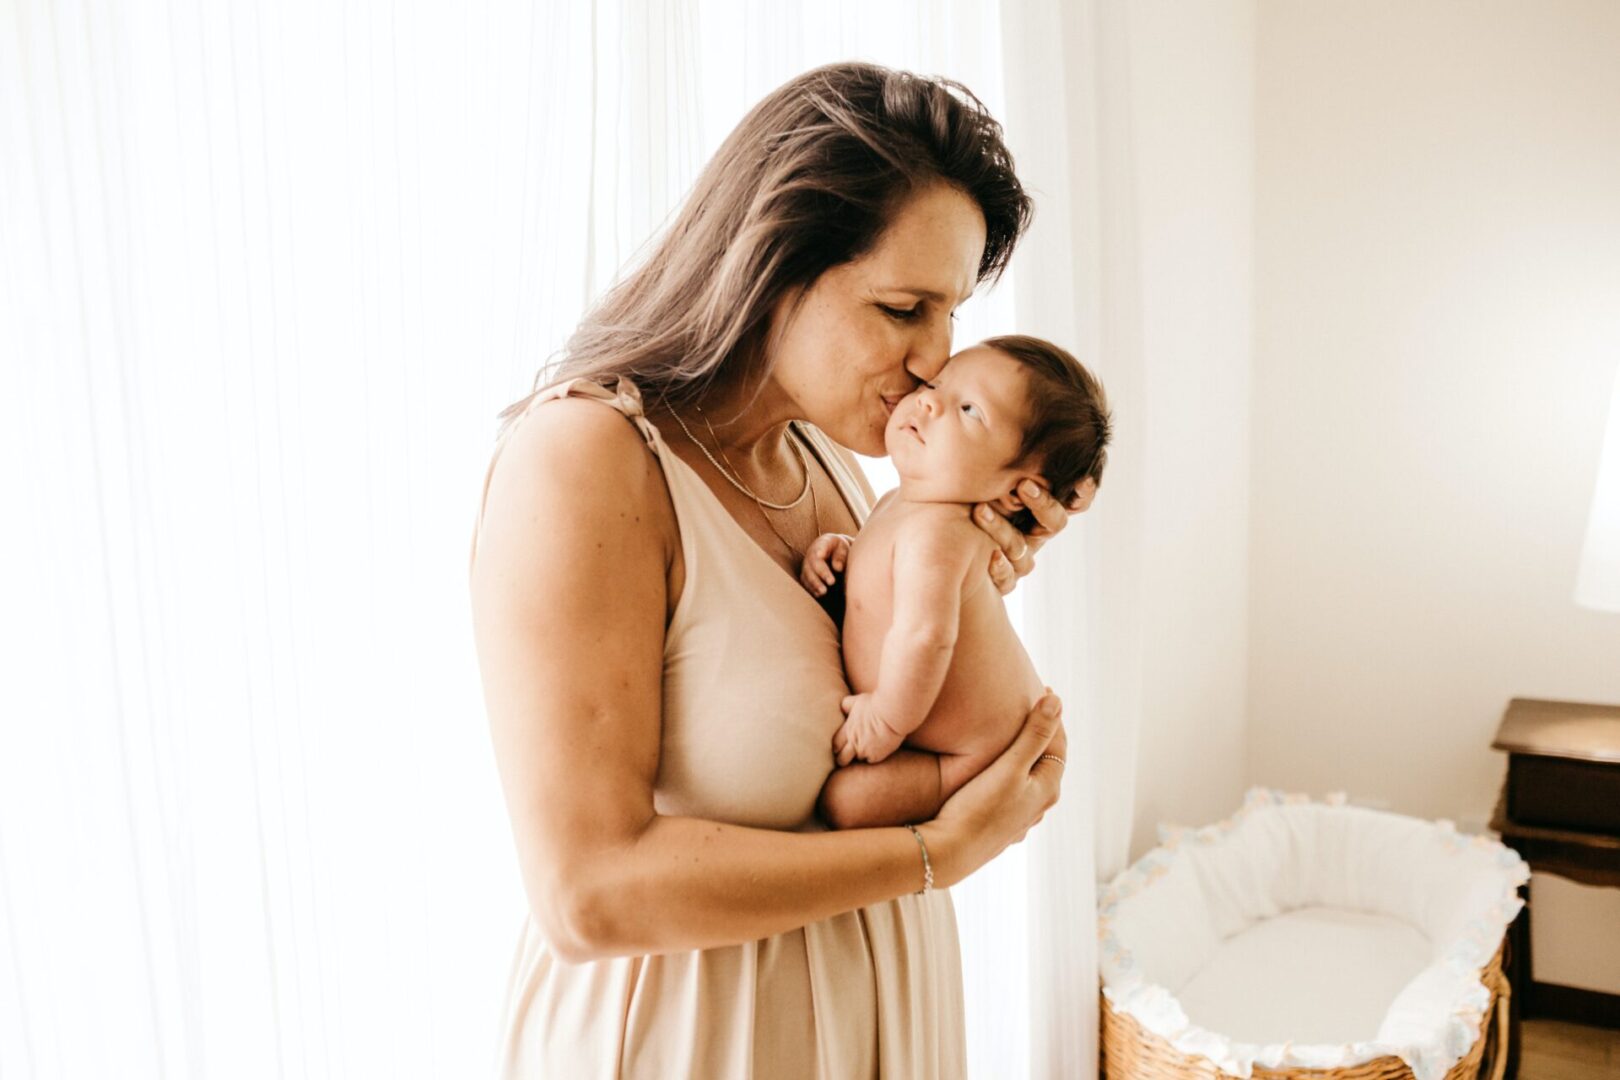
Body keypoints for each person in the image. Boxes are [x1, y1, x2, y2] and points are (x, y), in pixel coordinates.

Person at [468, 62, 1095, 1079]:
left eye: (951, 315)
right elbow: (589, 894)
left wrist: (970, 589)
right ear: (771, 265)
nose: (939, 361)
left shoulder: (827, 463)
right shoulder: (585, 464)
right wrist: (939, 852)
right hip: (690, 1045)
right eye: (903, 310)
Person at [803, 337, 1110, 832]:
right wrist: (846, 553)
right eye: (936, 384)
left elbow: (925, 636)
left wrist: (884, 720)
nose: (928, 400)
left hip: (977, 751)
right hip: (958, 726)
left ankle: (949, 781)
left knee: (848, 802)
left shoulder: (942, 535)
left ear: (1018, 492)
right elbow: (886, 581)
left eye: (969, 409)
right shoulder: (900, 504)